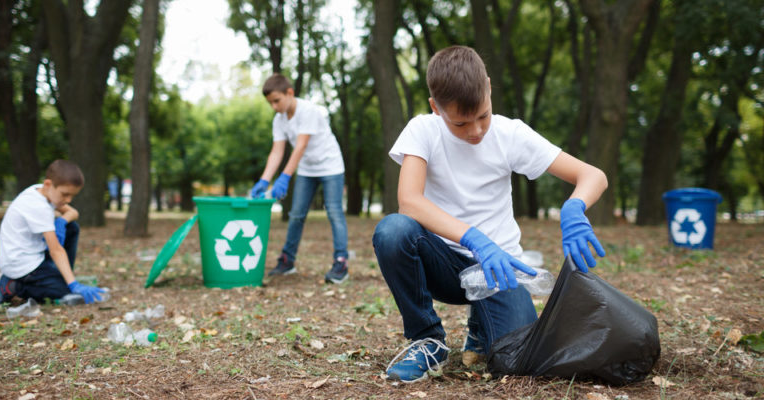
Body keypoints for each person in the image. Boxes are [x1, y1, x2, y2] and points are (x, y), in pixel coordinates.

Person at [372, 46, 608, 383]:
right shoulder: (422, 130)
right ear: (435, 108)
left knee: (516, 363)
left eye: (483, 115)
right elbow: (409, 202)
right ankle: (427, 339)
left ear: (489, 87)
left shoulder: (510, 134)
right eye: (460, 122)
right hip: (442, 263)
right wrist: (473, 238)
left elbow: (593, 175)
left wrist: (574, 207)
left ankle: (481, 327)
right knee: (393, 231)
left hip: (496, 270)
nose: (476, 131)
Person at [251, 73, 350, 284]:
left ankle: (341, 262)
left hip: (330, 165)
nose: (274, 107)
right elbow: (277, 152)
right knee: (296, 214)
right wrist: (264, 180)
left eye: (277, 101)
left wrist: (285, 177)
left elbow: (301, 146)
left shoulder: (308, 111)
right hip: (307, 168)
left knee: (334, 212)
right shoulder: (278, 120)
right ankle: (287, 260)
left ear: (289, 93)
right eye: (270, 103)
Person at [0, 160, 105, 305]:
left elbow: (73, 212)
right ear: (49, 184)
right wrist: (73, 285)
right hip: (20, 264)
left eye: (72, 196)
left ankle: (60, 276)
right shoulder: (38, 206)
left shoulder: (40, 190)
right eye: (65, 194)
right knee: (65, 292)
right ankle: (12, 285)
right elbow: (56, 251)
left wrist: (61, 222)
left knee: (71, 227)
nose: (68, 200)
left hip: (32, 255)